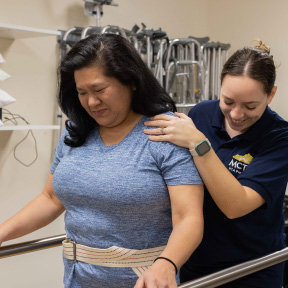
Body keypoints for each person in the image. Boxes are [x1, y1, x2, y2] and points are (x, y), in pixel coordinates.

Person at [0, 34, 204, 288]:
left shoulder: (165, 132)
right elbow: (51, 198)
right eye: (82, 92)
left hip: (145, 281)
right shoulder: (75, 131)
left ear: (131, 82)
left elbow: (189, 217)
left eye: (99, 90)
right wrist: (2, 232)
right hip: (78, 279)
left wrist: (167, 264)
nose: (91, 102)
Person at [143, 40, 288, 288]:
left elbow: (236, 205)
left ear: (271, 94)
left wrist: (199, 144)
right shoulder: (202, 114)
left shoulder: (279, 139)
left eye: (250, 106)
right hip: (193, 264)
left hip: (250, 270)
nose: (236, 114)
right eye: (228, 101)